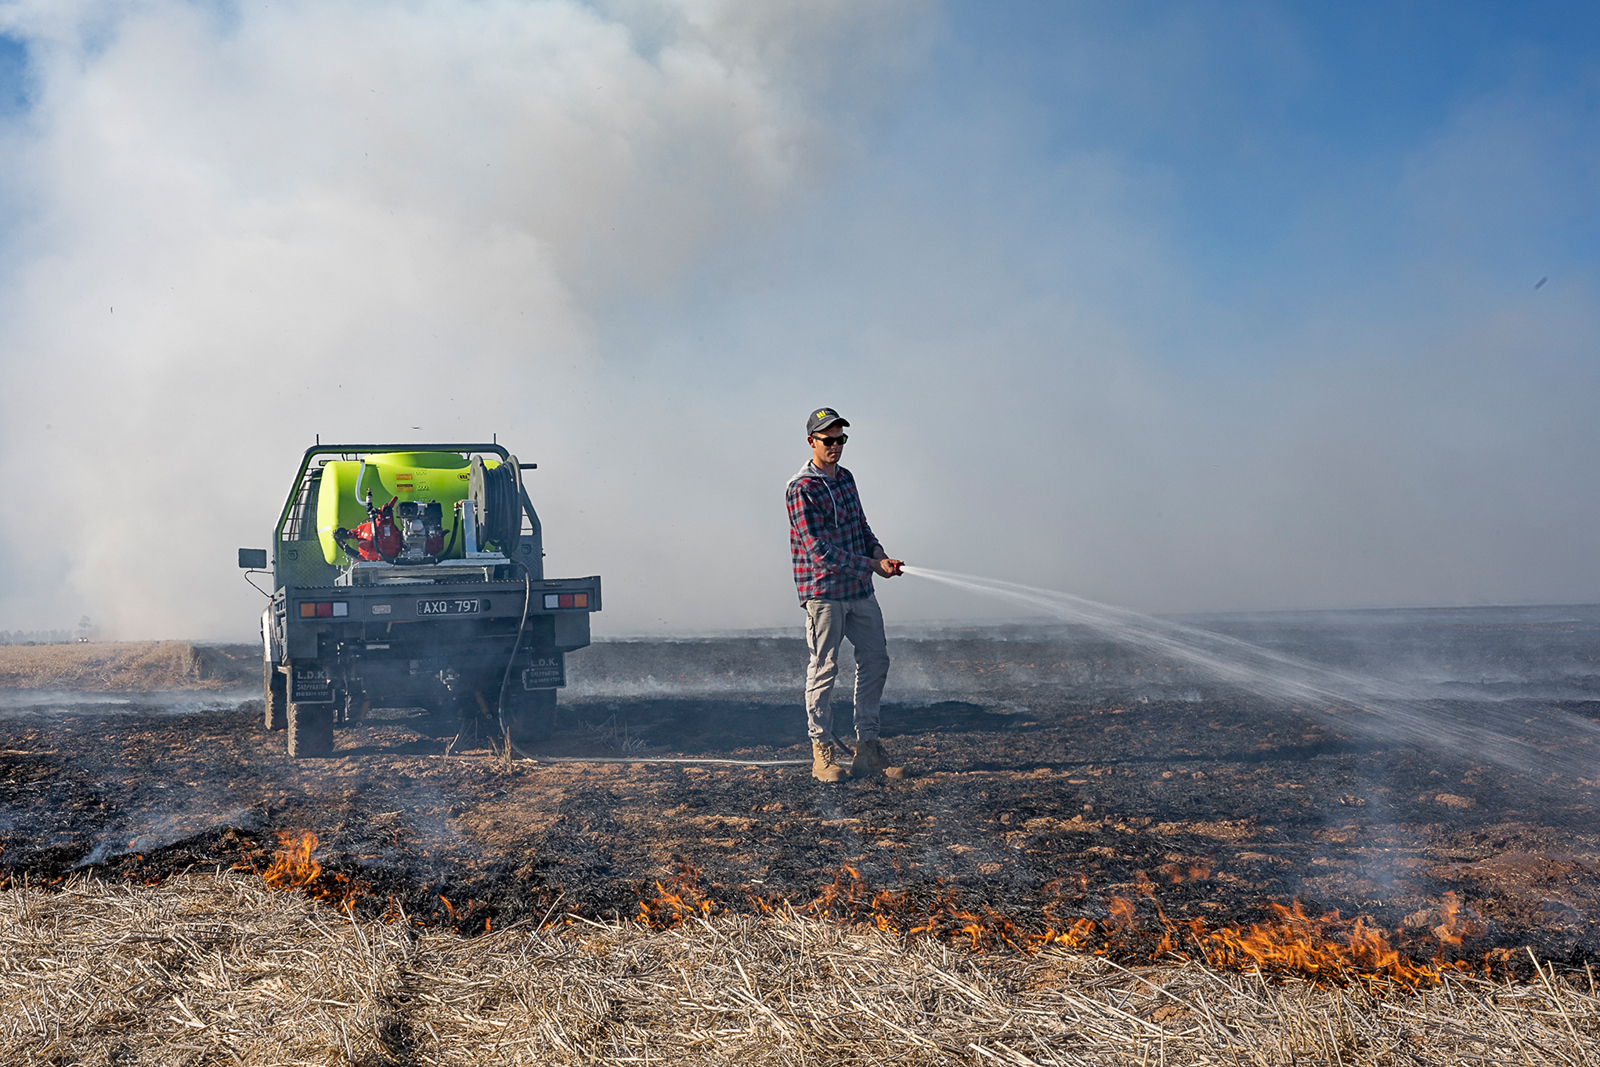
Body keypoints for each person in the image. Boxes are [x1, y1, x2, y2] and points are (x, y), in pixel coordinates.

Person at [786, 407, 904, 782]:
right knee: (824, 668)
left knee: (876, 659)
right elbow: (818, 550)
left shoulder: (847, 479)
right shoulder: (800, 488)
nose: (835, 446)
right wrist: (869, 566)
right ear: (812, 442)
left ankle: (868, 748)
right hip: (823, 593)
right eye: (828, 440)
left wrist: (880, 555)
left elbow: (861, 527)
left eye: (841, 440)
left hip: (859, 589)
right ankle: (822, 752)